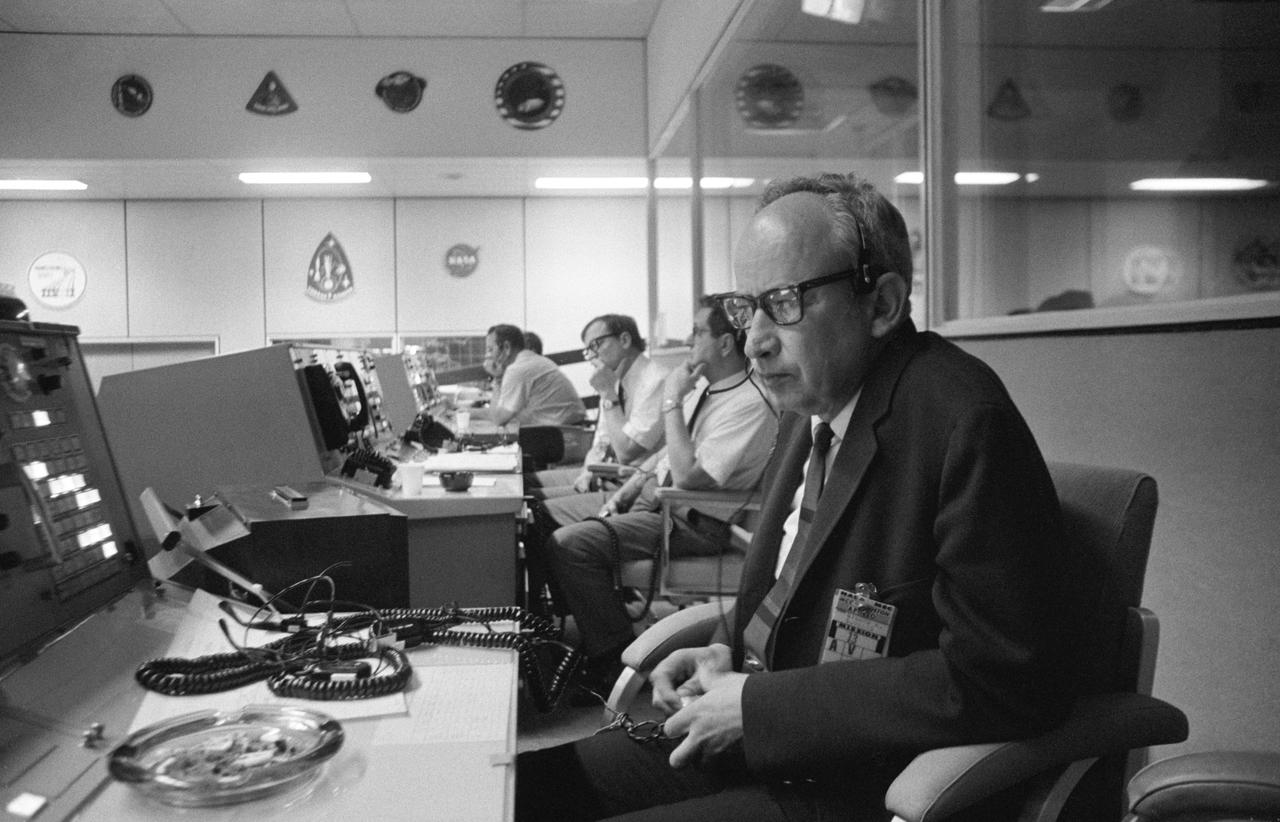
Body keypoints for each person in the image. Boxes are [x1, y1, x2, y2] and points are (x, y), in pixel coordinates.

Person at [515, 172, 1083, 822]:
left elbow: (1006, 679)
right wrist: (725, 648)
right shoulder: (810, 408)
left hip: (850, 779)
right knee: (521, 789)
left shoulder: (961, 418)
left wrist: (759, 708)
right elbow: (787, 590)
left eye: (783, 302)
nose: (753, 338)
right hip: (763, 736)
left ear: (883, 304)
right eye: (745, 306)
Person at [542, 297, 778, 700]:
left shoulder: (749, 402)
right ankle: (582, 633)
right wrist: (628, 491)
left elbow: (687, 475)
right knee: (543, 516)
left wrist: (672, 399)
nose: (689, 339)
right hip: (662, 505)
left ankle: (613, 661)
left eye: (699, 331)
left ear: (724, 344)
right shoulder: (710, 388)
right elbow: (667, 453)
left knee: (569, 545)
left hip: (695, 522)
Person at [529, 314, 668, 497]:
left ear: (624, 340)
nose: (592, 357)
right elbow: (602, 441)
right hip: (604, 474)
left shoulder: (656, 380)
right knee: (526, 483)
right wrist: (587, 471)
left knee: (531, 502)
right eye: (588, 350)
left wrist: (608, 394)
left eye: (595, 345)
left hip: (631, 486)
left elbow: (627, 452)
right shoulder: (614, 379)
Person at [470, 323, 585, 428]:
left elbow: (498, 418)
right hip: (572, 428)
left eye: (490, 349)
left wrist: (498, 378)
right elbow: (505, 413)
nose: (487, 356)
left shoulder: (517, 370)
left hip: (563, 435)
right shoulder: (534, 360)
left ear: (506, 348)